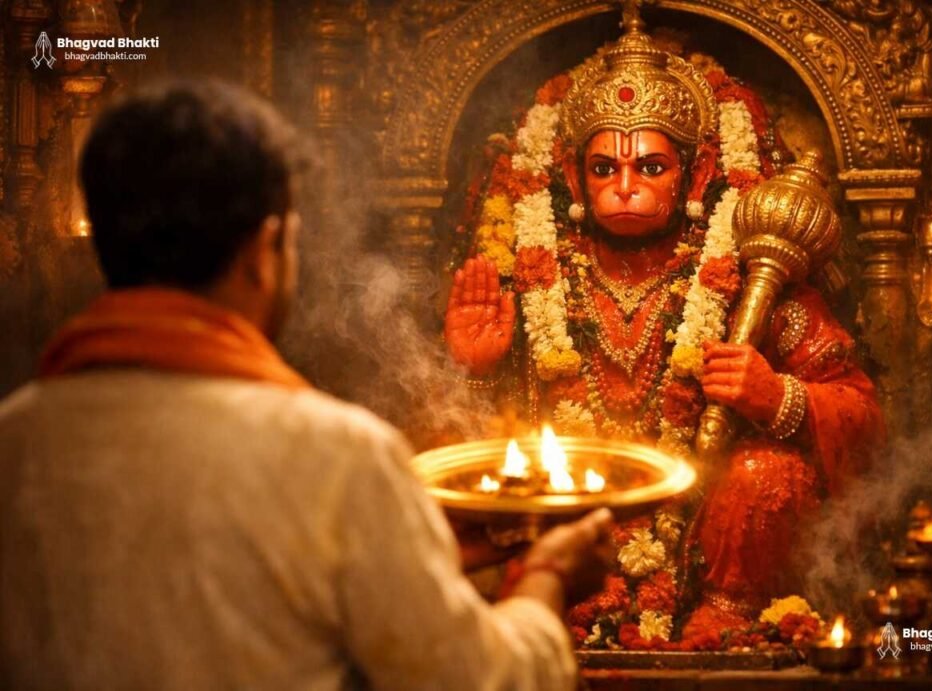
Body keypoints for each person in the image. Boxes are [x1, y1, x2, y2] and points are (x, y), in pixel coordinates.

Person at [0, 80, 613, 691]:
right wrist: (550, 575)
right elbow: (479, 682)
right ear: (265, 250)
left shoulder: (16, 440)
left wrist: (409, 556)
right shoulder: (331, 455)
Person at [443, 9, 885, 646]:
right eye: (604, 169)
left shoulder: (750, 280)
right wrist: (477, 373)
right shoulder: (531, 277)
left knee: (767, 474)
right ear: (574, 176)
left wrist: (777, 399)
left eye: (650, 168)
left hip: (709, 547)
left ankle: (725, 624)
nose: (625, 187)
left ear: (694, 176)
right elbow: (480, 450)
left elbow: (864, 417)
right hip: (563, 549)